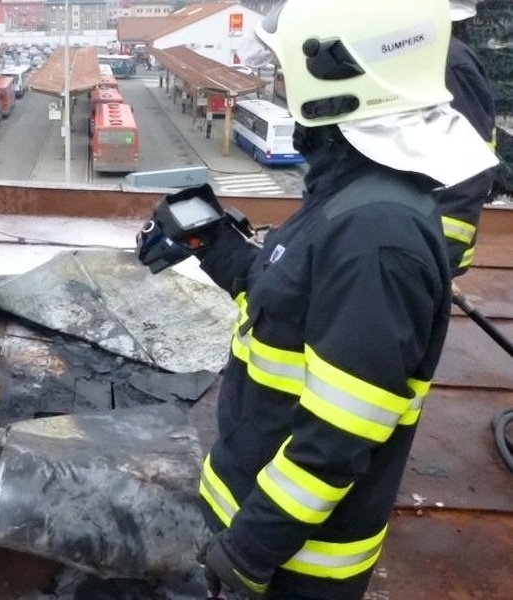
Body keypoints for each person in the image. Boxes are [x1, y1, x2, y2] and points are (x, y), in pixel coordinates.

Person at [135, 0, 498, 598]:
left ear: (338, 78)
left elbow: (337, 437)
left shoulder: (377, 239)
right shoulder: (351, 194)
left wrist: (247, 553)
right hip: (255, 511)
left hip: (293, 567)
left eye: (284, 74)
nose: (278, 88)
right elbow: (287, 303)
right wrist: (213, 242)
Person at [439, 0, 497, 277]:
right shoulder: (429, 58)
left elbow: (470, 164)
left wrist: (440, 251)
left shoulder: (448, 63)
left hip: (429, 247)